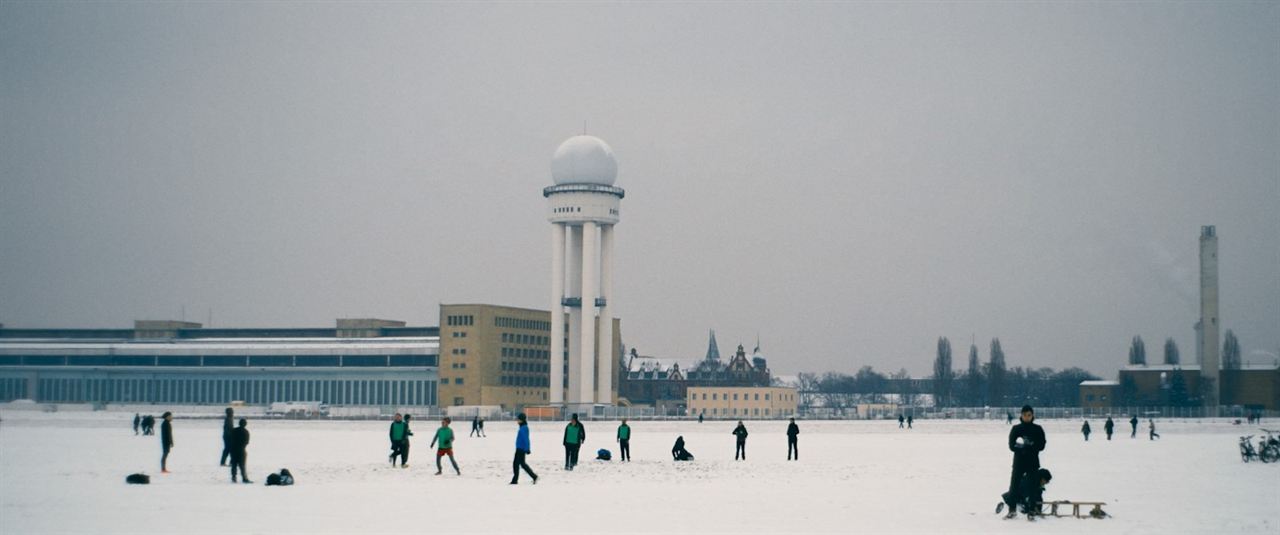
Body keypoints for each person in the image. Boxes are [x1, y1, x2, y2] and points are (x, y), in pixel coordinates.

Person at [998, 405, 1046, 518]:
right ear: (1021, 415)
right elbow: (1011, 446)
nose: (1027, 417)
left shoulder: (1038, 429)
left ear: (1032, 415)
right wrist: (1022, 447)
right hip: (1019, 462)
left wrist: (1031, 445)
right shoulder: (1016, 428)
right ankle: (1012, 509)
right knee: (1014, 486)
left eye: (1029, 415)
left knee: (1032, 487)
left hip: (1032, 463)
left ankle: (1031, 511)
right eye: (1024, 415)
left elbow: (1042, 445)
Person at [510, 413, 537, 485]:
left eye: (518, 419)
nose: (517, 421)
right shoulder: (523, 427)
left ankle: (515, 480)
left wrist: (527, 449)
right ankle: (534, 476)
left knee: (516, 464)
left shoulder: (524, 428)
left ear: (521, 420)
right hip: (520, 448)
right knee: (522, 464)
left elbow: (526, 439)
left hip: (521, 449)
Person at [228, 418, 251, 483]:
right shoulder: (246, 432)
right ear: (245, 424)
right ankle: (244, 478)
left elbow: (230, 439)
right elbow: (247, 442)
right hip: (241, 450)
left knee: (234, 465)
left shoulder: (234, 430)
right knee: (242, 465)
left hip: (233, 450)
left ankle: (234, 478)